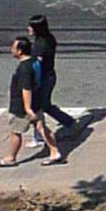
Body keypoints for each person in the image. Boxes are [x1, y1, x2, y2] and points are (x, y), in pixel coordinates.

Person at [27, 9, 70, 161]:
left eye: (31, 26)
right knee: (42, 106)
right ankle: (39, 135)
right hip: (50, 76)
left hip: (43, 79)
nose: (28, 29)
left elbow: (36, 66)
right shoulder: (50, 38)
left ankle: (42, 135)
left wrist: (32, 82)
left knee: (38, 107)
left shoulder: (39, 45)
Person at [0, 34, 43, 168]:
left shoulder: (24, 68)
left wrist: (27, 108)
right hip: (36, 101)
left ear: (20, 51)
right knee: (42, 127)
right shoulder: (34, 62)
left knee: (16, 131)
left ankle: (11, 158)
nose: (11, 50)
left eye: (13, 47)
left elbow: (26, 88)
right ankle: (54, 151)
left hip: (22, 107)